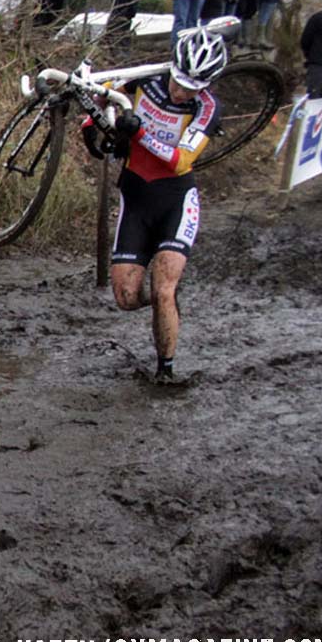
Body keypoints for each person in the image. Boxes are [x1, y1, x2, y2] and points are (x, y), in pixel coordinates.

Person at [105, 28, 228, 383]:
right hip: (136, 196)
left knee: (162, 287)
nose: (179, 91)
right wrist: (94, 125)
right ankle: (168, 303)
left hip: (175, 199)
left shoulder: (206, 107)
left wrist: (139, 132)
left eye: (190, 87)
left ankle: (166, 370)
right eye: (177, 81)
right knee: (127, 297)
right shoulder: (148, 78)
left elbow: (181, 161)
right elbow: (105, 97)